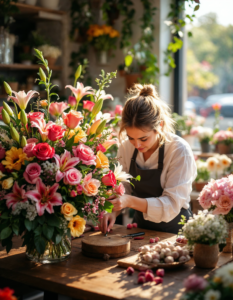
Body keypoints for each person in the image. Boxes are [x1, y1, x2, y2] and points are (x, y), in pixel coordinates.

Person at [99, 84, 197, 234]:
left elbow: (171, 204)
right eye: (131, 138)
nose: (137, 144)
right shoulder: (126, 147)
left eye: (144, 139)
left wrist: (129, 201)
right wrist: (113, 211)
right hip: (140, 229)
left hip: (175, 232)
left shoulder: (179, 151)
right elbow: (124, 187)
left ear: (160, 126)